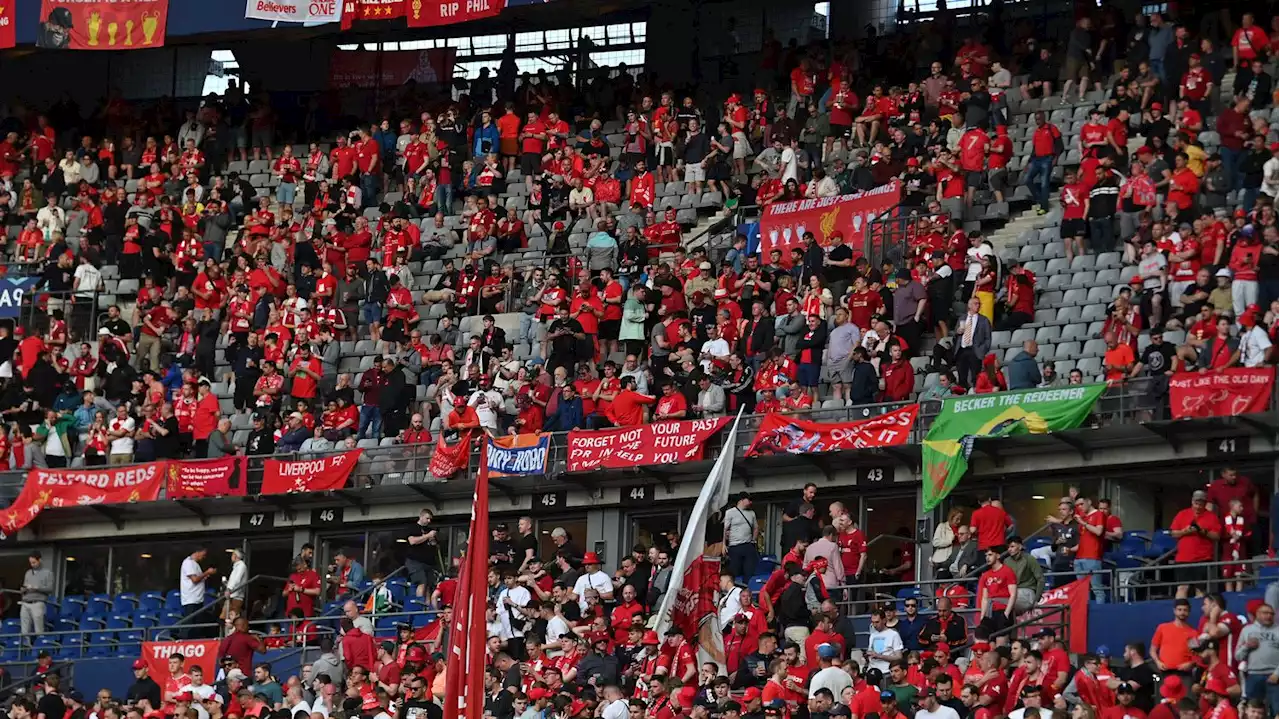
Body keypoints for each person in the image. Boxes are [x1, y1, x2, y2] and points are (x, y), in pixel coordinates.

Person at [180, 546, 217, 638]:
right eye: (203, 555)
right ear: (197, 552)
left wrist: (204, 576)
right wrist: (207, 572)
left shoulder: (195, 564)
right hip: (191, 599)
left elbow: (198, 578)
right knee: (190, 626)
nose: (203, 557)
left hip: (197, 599)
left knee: (197, 627)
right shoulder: (188, 563)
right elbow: (195, 579)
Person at [724, 492, 760, 580]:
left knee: (749, 571)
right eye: (749, 500)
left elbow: (756, 528)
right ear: (742, 500)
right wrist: (724, 544)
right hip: (735, 546)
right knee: (734, 572)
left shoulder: (752, 513)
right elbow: (724, 529)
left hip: (748, 545)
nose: (751, 502)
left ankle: (746, 590)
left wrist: (753, 540)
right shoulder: (730, 512)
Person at [20, 550, 53, 636]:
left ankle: (39, 648)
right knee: (24, 631)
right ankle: (25, 647)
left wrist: (37, 588)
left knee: (38, 630)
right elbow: (24, 586)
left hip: (38, 603)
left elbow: (50, 589)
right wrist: (23, 589)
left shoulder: (48, 573)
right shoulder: (28, 573)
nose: (32, 565)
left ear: (40, 560)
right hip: (25, 602)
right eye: (31, 563)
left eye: (34, 562)